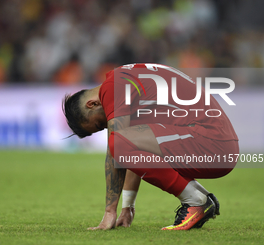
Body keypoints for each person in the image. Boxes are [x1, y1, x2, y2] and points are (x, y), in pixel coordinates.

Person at [62, 63, 239, 230]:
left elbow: (118, 146)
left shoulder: (113, 86)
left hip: (212, 142)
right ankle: (201, 196)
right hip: (218, 144)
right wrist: (128, 206)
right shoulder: (127, 79)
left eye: (100, 124)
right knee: (123, 140)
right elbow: (134, 148)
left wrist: (110, 212)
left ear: (92, 104)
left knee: (118, 141)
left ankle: (196, 201)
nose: (107, 127)